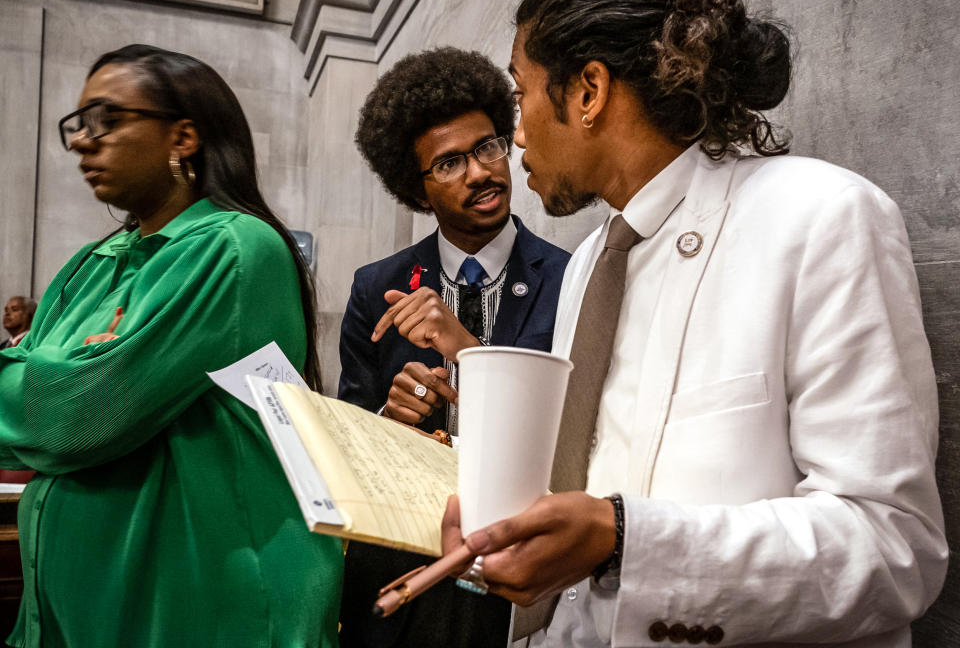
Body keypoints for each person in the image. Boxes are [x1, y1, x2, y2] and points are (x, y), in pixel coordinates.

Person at [440, 0, 947, 648]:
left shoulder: (822, 217)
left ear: (588, 91)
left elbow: (894, 549)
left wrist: (625, 540)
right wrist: (500, 529)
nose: (517, 133)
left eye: (520, 93)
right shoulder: (588, 263)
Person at [0, 45, 343, 648]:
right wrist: (63, 373)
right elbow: (43, 406)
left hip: (200, 600)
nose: (83, 140)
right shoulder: (90, 263)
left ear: (183, 137)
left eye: (106, 118)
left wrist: (57, 370)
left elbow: (74, 417)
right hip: (84, 608)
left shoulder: (235, 247)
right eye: (76, 124)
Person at [337, 47, 569, 648]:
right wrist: (393, 418)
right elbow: (352, 437)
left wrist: (470, 352)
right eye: (448, 163)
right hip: (406, 574)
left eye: (487, 147)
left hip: (517, 571)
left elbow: (572, 433)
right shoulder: (375, 288)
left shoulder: (570, 278)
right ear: (416, 192)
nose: (479, 173)